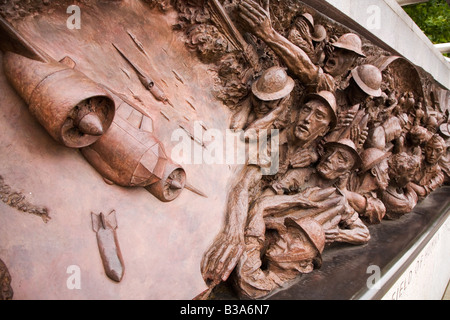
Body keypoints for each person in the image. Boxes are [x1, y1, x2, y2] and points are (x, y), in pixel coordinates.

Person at [201, 90, 338, 288]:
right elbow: (243, 184)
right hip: (225, 192)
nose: (307, 119)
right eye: (306, 110)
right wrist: (234, 232)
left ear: (325, 130)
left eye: (319, 116)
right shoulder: (276, 140)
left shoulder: (309, 159)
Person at [231, 138, 370, 299]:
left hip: (292, 255)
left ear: (345, 172)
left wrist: (338, 234)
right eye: (330, 152)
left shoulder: (337, 200)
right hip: (267, 236)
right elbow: (263, 202)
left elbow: (363, 233)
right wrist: (294, 204)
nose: (330, 159)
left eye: (341, 158)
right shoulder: (299, 175)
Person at [238, 0, 365, 92]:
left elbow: (304, 68)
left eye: (344, 53)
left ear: (352, 65)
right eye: (336, 49)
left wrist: (269, 34)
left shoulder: (329, 85)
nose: (335, 54)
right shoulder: (321, 60)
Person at [230, 66, 295, 132]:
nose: (261, 106)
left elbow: (251, 136)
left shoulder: (281, 120)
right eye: (258, 99)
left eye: (268, 102)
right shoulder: (252, 97)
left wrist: (274, 113)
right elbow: (234, 126)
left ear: (281, 100)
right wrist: (246, 107)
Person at [342, 148, 391, 224]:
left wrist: (344, 192)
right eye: (385, 172)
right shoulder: (347, 177)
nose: (388, 177)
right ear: (374, 172)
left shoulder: (376, 205)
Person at [380, 152, 420, 220]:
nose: (412, 179)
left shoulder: (399, 188)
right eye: (410, 176)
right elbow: (410, 204)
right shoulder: (398, 202)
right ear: (397, 176)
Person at [408, 134, 446, 200]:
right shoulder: (416, 161)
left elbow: (422, 192)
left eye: (437, 151)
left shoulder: (439, 176)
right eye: (429, 149)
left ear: (442, 153)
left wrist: (405, 183)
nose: (432, 154)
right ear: (424, 149)